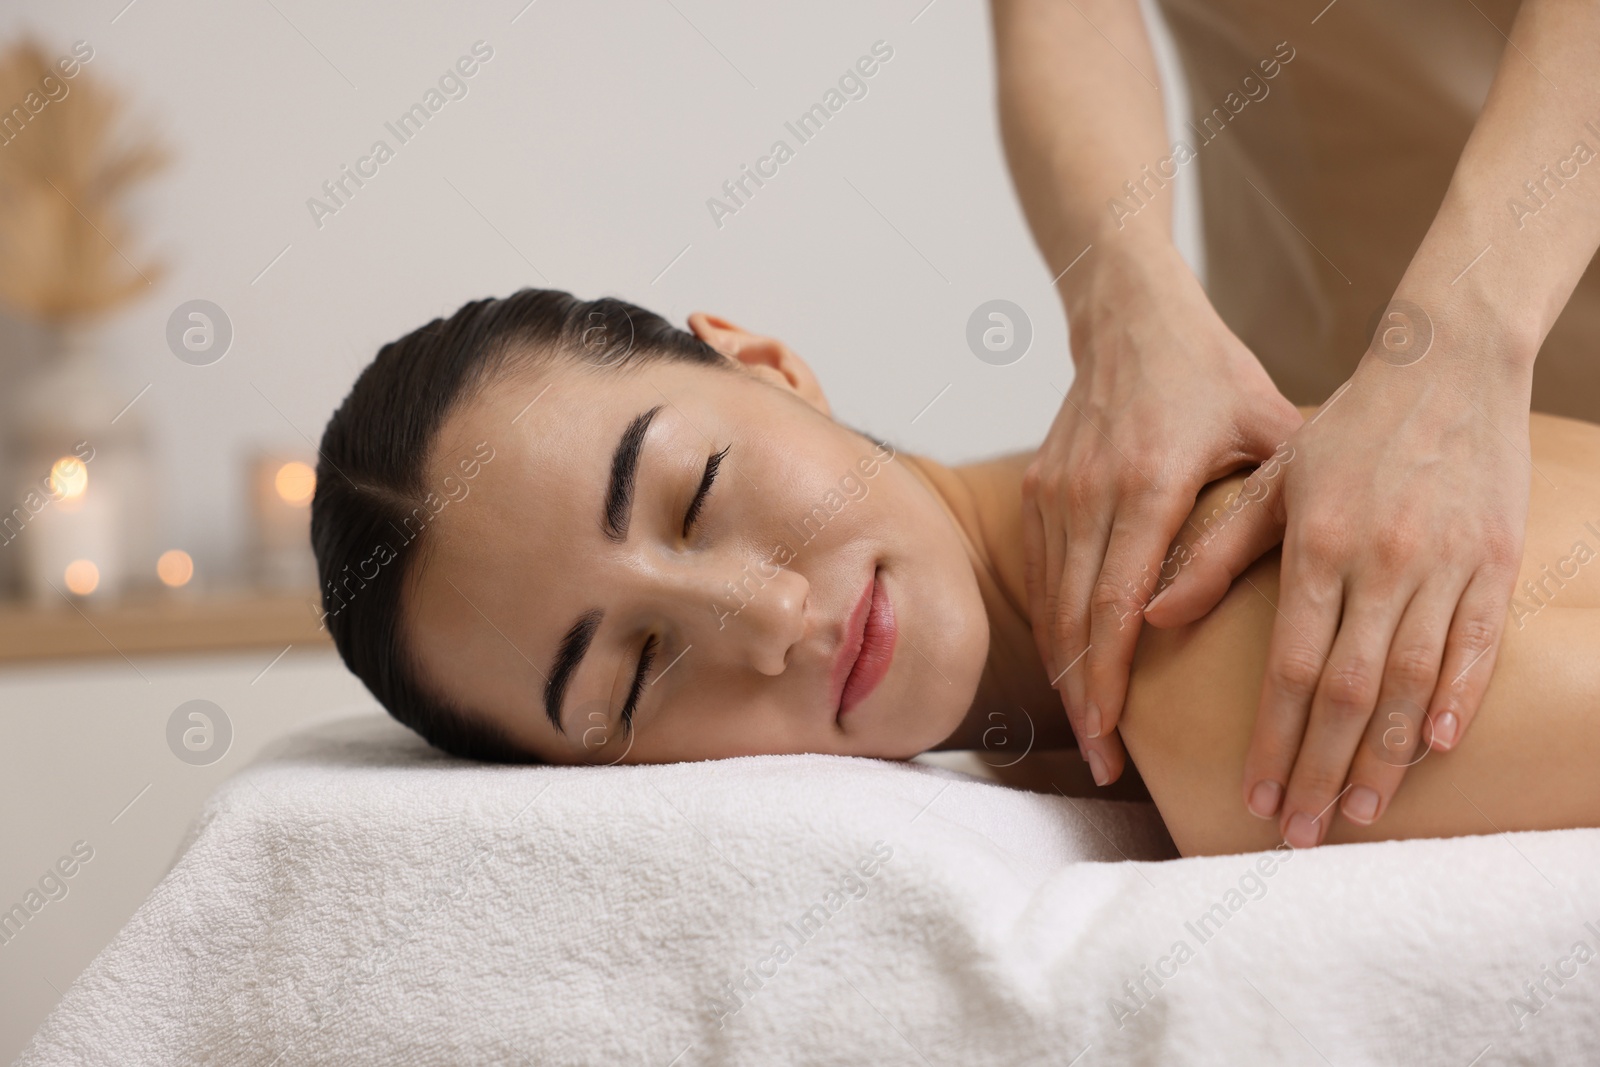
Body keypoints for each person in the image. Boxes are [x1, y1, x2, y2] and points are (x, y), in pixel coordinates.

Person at [308, 289, 1600, 858]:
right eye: (638, 670)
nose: (769, 618)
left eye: (698, 494)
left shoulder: (1210, 681)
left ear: (760, 361)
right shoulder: (1071, 744)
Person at [990, 0, 1600, 847]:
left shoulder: (1202, 692)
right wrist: (1126, 307)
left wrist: (1463, 330)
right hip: (1329, 362)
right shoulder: (1209, 658)